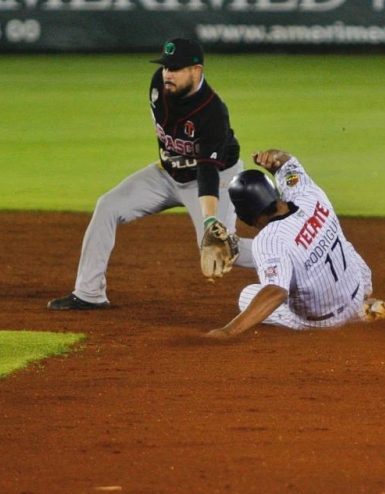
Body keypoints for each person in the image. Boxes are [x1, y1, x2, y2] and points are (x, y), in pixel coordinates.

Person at [49, 37, 254, 310]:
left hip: (215, 179)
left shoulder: (213, 112)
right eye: (166, 66)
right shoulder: (159, 83)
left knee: (224, 248)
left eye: (176, 68)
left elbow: (207, 172)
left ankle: (291, 253)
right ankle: (89, 293)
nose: (167, 73)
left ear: (197, 71)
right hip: (167, 174)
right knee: (108, 206)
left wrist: (210, 223)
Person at [206, 149, 385, 339]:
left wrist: (227, 332)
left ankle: (355, 317)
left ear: (246, 216)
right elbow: (286, 162)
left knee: (247, 296)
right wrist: (275, 155)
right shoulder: (307, 193)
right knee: (339, 241)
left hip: (323, 321)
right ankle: (365, 301)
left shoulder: (269, 239)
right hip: (357, 289)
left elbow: (276, 292)